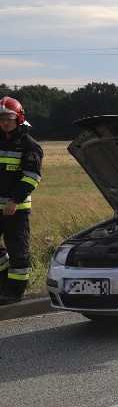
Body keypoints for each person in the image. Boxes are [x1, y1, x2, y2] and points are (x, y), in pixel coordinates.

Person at [0, 97, 43, 306]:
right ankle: (3, 284)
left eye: (9, 118)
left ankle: (14, 293)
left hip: (16, 208)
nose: (5, 122)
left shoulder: (29, 145)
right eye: (1, 118)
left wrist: (14, 201)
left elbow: (31, 177)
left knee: (18, 251)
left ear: (19, 118)